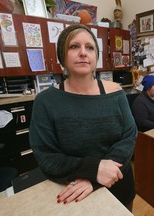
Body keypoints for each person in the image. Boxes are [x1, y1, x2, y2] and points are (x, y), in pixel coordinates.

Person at [29, 24, 137, 211]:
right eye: (74, 46)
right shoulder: (45, 102)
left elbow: (129, 137)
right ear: (62, 56)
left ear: (96, 56)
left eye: (90, 47)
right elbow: (46, 155)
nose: (83, 53)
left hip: (119, 186)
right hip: (73, 192)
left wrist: (96, 178)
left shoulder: (116, 93)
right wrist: (94, 170)